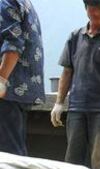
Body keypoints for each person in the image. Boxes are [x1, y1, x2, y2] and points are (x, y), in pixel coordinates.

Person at [50, 0, 100, 169]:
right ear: (86, 8)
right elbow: (67, 71)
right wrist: (59, 102)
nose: (96, 12)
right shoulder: (75, 37)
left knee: (99, 162)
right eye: (91, 7)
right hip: (76, 108)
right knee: (72, 161)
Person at [0, 0, 45, 156]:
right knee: (14, 151)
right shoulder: (23, 3)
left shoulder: (4, 2)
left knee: (8, 155)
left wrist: (1, 80)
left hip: (8, 89)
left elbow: (13, 43)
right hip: (19, 87)